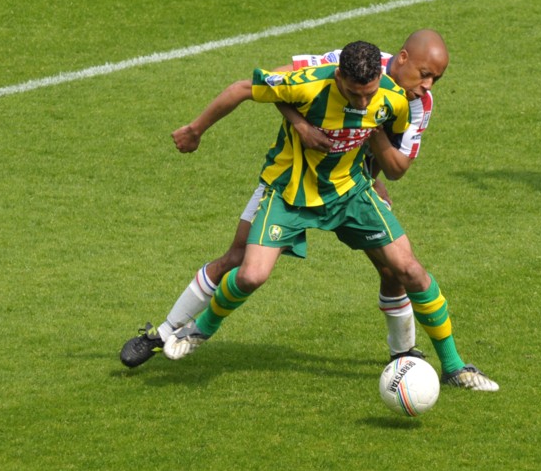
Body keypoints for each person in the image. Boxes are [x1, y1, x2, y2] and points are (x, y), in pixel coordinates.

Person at [125, 40, 499, 391]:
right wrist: (203, 130)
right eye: (424, 74)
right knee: (241, 264)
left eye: (437, 78)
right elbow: (263, 85)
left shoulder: (403, 100)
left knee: (403, 270)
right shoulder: (327, 72)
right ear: (400, 59)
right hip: (290, 185)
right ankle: (168, 333)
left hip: (351, 190)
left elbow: (397, 162)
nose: (429, 85)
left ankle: (438, 363)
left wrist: (369, 142)